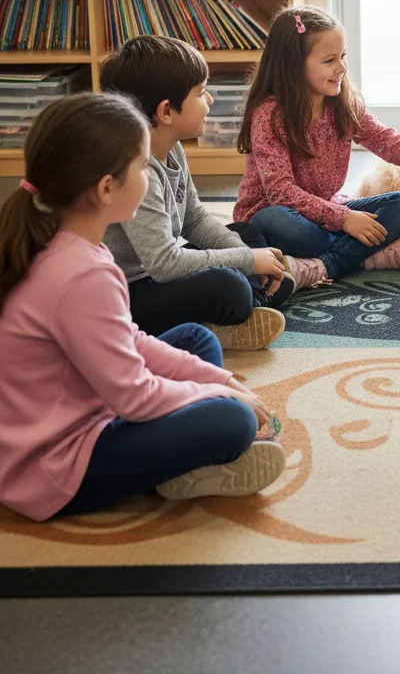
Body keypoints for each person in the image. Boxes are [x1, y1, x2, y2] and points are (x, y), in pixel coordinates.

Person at [0, 93, 284, 521]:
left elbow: (129, 339)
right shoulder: (81, 275)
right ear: (106, 188)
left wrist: (221, 376)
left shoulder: (61, 240)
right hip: (53, 466)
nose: (149, 179)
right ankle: (185, 471)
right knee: (232, 421)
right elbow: (134, 396)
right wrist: (221, 393)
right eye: (141, 166)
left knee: (195, 339)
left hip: (81, 407)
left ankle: (177, 462)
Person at [101, 36, 293, 351]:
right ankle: (235, 315)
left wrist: (247, 255)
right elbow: (164, 263)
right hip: (128, 295)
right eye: (202, 92)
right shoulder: (137, 170)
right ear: (166, 111)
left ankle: (248, 308)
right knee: (230, 286)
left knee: (248, 234)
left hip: (160, 278)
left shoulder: (171, 147)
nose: (211, 100)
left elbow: (194, 218)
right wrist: (246, 262)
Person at [234, 5, 400, 286]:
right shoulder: (270, 115)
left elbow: (389, 142)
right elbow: (281, 192)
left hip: (326, 213)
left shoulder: (342, 103)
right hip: (276, 213)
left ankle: (322, 265)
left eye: (343, 57)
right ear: (294, 64)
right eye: (329, 60)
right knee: (274, 222)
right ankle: (367, 256)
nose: (342, 68)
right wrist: (344, 219)